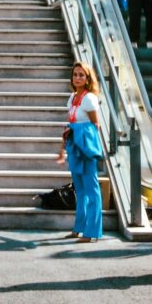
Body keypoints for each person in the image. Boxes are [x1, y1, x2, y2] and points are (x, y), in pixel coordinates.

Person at [62, 63, 107, 244]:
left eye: (82, 75)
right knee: (79, 189)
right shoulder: (72, 97)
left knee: (91, 188)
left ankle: (92, 231)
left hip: (85, 146)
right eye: (75, 74)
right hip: (74, 145)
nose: (78, 78)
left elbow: (95, 125)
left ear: (88, 79)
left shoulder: (89, 98)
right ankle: (78, 228)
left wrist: (78, 131)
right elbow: (71, 120)